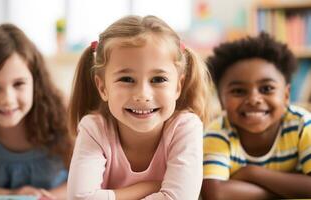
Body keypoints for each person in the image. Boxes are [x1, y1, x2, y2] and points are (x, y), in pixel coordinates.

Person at [67, 15, 212, 200]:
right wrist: (149, 187)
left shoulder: (185, 127)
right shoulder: (94, 129)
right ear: (103, 87)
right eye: (126, 79)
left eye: (158, 79)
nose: (143, 94)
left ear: (178, 87)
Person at [0, 24, 74, 200]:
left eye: (18, 84)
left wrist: (47, 197)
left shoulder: (62, 116)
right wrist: (12, 195)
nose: (7, 99)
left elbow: (87, 180)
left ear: (36, 82)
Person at [202, 32, 311, 199]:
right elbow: (215, 193)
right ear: (221, 100)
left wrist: (251, 173)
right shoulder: (218, 133)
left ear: (286, 95)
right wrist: (288, 189)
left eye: (266, 89)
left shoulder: (302, 124)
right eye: (238, 91)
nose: (253, 99)